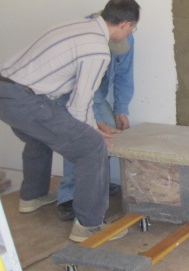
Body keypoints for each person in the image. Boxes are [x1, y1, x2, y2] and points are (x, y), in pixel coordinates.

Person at [0, 0, 140, 242]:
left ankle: (32, 196)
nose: (131, 33)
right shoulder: (98, 50)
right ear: (125, 24)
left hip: (6, 92)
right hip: (25, 101)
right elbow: (79, 103)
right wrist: (91, 133)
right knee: (91, 148)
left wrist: (91, 125)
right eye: (133, 29)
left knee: (39, 136)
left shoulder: (74, 25)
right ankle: (89, 225)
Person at [56, 11, 135, 221]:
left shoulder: (127, 35)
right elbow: (79, 93)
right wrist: (96, 121)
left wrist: (121, 109)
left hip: (96, 95)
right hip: (70, 95)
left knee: (109, 137)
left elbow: (124, 74)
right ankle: (70, 196)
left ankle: (97, 184)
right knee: (80, 138)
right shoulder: (83, 36)